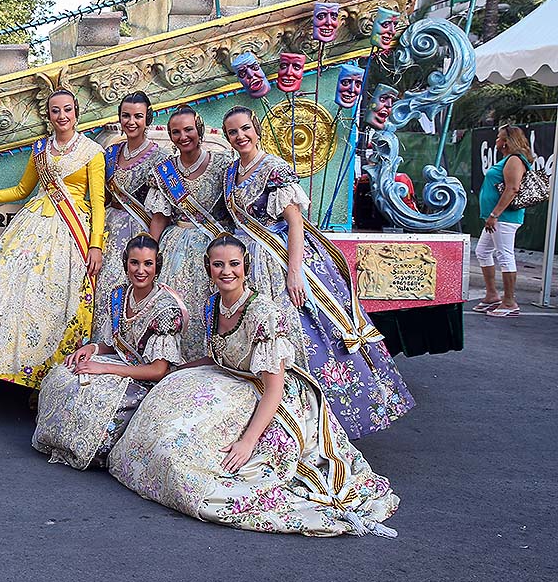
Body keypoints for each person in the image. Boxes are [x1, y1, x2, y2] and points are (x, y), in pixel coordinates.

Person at [108, 235, 400, 537]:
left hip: (270, 396)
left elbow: (274, 389)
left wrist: (248, 442)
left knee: (180, 453)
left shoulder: (263, 314)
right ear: (208, 268)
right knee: (161, 420)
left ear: (245, 267)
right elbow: (217, 356)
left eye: (234, 264)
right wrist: (178, 372)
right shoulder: (214, 304)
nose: (226, 271)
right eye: (218, 265)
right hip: (232, 380)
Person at [219, 106, 412, 438]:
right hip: (246, 262)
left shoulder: (275, 170)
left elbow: (295, 223)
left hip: (279, 260)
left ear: (257, 130)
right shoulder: (230, 172)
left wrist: (295, 273)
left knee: (306, 336)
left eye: (245, 128)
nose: (240, 136)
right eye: (233, 132)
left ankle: (328, 423)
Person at [0, 89, 105, 388]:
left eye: (67, 110)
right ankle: (13, 370)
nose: (62, 116)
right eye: (56, 111)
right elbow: (21, 190)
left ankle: (53, 376)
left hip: (71, 231)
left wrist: (95, 244)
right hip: (32, 224)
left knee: (55, 299)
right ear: (48, 115)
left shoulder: (92, 152)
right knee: (13, 294)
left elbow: (98, 202)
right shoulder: (40, 150)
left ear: (76, 112)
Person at [32, 234, 185, 470]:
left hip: (147, 379)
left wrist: (103, 368)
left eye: (148, 264)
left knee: (95, 394)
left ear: (158, 266)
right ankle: (60, 441)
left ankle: (91, 450)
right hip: (121, 364)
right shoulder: (119, 295)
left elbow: (159, 370)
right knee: (63, 375)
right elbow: (112, 343)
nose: (140, 270)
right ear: (126, 263)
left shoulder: (166, 309)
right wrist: (90, 349)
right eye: (135, 263)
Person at [146, 106, 231, 359]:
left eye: (188, 130)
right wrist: (151, 251)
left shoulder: (223, 166)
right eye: (176, 132)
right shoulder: (165, 171)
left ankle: (211, 358)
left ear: (199, 130)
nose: (183, 136)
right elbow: (159, 218)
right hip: (174, 248)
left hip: (213, 244)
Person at [93, 92, 168, 341]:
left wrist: (151, 248)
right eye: (126, 116)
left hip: (139, 233)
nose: (131, 122)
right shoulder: (111, 153)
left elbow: (160, 210)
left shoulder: (161, 158)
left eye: (138, 116)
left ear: (148, 119)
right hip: (108, 227)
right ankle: (99, 344)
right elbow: (100, 196)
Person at [475, 125, 534, 318]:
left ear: (507, 141)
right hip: (498, 217)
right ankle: (492, 295)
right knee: (483, 251)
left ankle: (509, 301)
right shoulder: (508, 159)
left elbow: (512, 188)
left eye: (499, 138)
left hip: (505, 218)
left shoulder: (515, 160)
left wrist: (495, 214)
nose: (496, 141)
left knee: (505, 255)